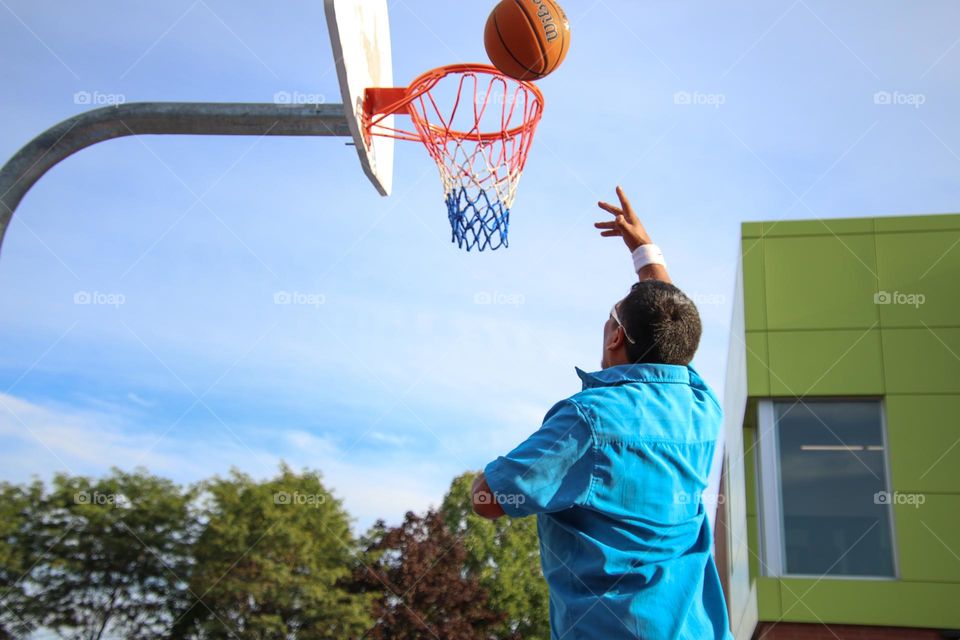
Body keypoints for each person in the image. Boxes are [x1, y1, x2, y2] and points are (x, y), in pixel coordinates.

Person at [471, 187, 731, 639]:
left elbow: (488, 499)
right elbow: (671, 336)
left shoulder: (589, 421)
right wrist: (645, 251)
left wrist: (491, 477)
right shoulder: (702, 407)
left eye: (610, 319)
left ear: (615, 337)